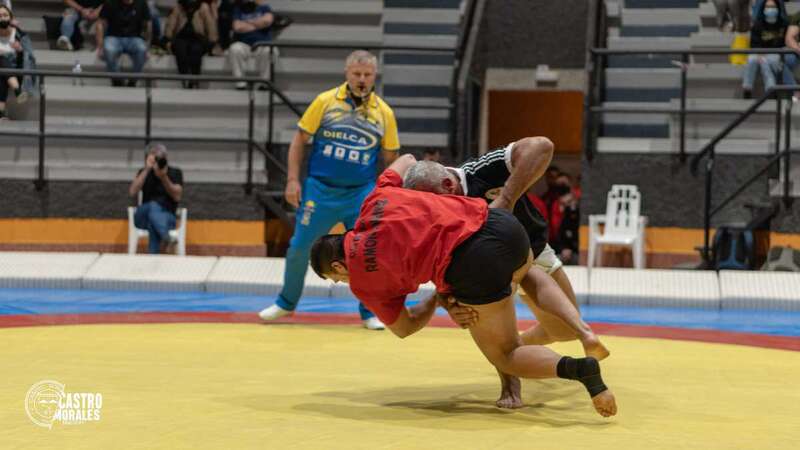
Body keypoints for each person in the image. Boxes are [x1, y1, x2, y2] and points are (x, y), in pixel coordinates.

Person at [310, 154, 618, 417]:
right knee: (526, 271)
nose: (343, 281)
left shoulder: (365, 284)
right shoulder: (375, 200)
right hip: (498, 223)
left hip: (470, 264)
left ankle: (580, 370)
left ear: (338, 266)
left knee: (505, 354)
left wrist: (438, 298)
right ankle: (584, 332)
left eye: (338, 278)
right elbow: (408, 159)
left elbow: (406, 327)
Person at [402, 138, 606, 408]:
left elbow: (542, 146)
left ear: (449, 185)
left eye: (436, 202)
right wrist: (447, 300)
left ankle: (518, 348)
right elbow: (437, 260)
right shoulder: (428, 209)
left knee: (564, 331)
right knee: (480, 306)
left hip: (531, 247)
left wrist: (506, 198)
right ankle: (510, 381)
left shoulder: (479, 171)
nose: (434, 211)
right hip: (483, 267)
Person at [257, 50, 400, 330]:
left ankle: (369, 311)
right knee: (299, 247)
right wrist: (292, 180)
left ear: (374, 76)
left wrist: (387, 194)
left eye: (367, 74)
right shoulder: (325, 102)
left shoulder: (385, 113)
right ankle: (286, 303)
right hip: (320, 191)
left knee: (367, 251)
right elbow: (299, 141)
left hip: (360, 193)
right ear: (347, 73)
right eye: (356, 74)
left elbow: (391, 158)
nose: (361, 79)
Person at [128, 143, 184, 254]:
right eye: (153, 154)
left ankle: (155, 255)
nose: (156, 158)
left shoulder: (175, 172)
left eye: (159, 156)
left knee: (153, 222)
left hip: (167, 217)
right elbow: (132, 192)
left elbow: (177, 196)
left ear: (165, 157)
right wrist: (146, 169)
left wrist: (163, 177)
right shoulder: (143, 172)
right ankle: (166, 237)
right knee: (153, 206)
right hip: (143, 215)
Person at [96, 0, 151, 87]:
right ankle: (117, 80)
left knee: (142, 50)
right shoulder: (110, 2)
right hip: (113, 37)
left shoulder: (141, 3)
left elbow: (148, 25)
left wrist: (147, 47)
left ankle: (133, 81)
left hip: (134, 38)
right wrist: (100, 46)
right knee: (108, 50)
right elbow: (100, 23)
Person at [164, 0, 218, 89]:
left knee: (196, 51)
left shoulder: (203, 7)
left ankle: (195, 79)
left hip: (198, 38)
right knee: (181, 51)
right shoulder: (179, 7)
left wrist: (212, 41)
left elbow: (210, 25)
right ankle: (184, 78)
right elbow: (171, 23)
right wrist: (168, 39)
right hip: (181, 37)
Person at [742, 0, 789, 99]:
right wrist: (760, 53)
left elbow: (784, 43)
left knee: (766, 61)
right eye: (767, 7)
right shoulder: (757, 24)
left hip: (776, 52)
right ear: (763, 9)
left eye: (773, 7)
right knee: (751, 60)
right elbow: (753, 44)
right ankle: (747, 88)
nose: (770, 9)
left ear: (778, 8)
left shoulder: (784, 24)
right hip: (759, 51)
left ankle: (770, 89)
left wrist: (766, 54)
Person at [229, 0, 272, 90]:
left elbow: (267, 21)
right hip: (244, 44)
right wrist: (259, 24)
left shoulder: (264, 8)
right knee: (234, 48)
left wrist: (246, 23)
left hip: (262, 44)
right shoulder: (239, 9)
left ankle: (264, 84)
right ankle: (240, 83)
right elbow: (237, 27)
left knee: (270, 50)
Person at [0, 4, 33, 121]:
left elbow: (30, 58)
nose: (2, 18)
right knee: (1, 64)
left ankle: (1, 113)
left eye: (5, 15)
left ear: (10, 18)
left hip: (17, 71)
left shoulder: (19, 35)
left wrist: (20, 51)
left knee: (2, 65)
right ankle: (17, 90)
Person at [783, 10, 800, 99]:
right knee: (779, 60)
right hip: (797, 52)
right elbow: (789, 38)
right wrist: (798, 49)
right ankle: (795, 91)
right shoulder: (798, 16)